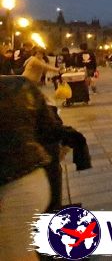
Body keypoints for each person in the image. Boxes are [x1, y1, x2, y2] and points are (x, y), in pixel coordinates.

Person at [0, 76, 59, 260]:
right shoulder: (19, 84)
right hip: (32, 180)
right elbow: (49, 130)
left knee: (15, 253)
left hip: (12, 188)